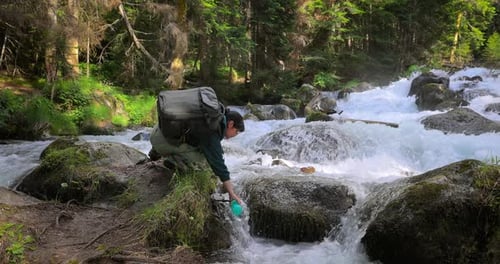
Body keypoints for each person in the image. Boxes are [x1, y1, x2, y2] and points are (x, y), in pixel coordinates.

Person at [149, 109, 245, 206]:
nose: (235, 135)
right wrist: (231, 193)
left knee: (193, 142)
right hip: (161, 141)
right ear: (231, 124)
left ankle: (156, 151)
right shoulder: (212, 130)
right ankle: (173, 161)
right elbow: (219, 165)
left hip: (158, 130)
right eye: (236, 131)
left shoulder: (210, 116)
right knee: (204, 159)